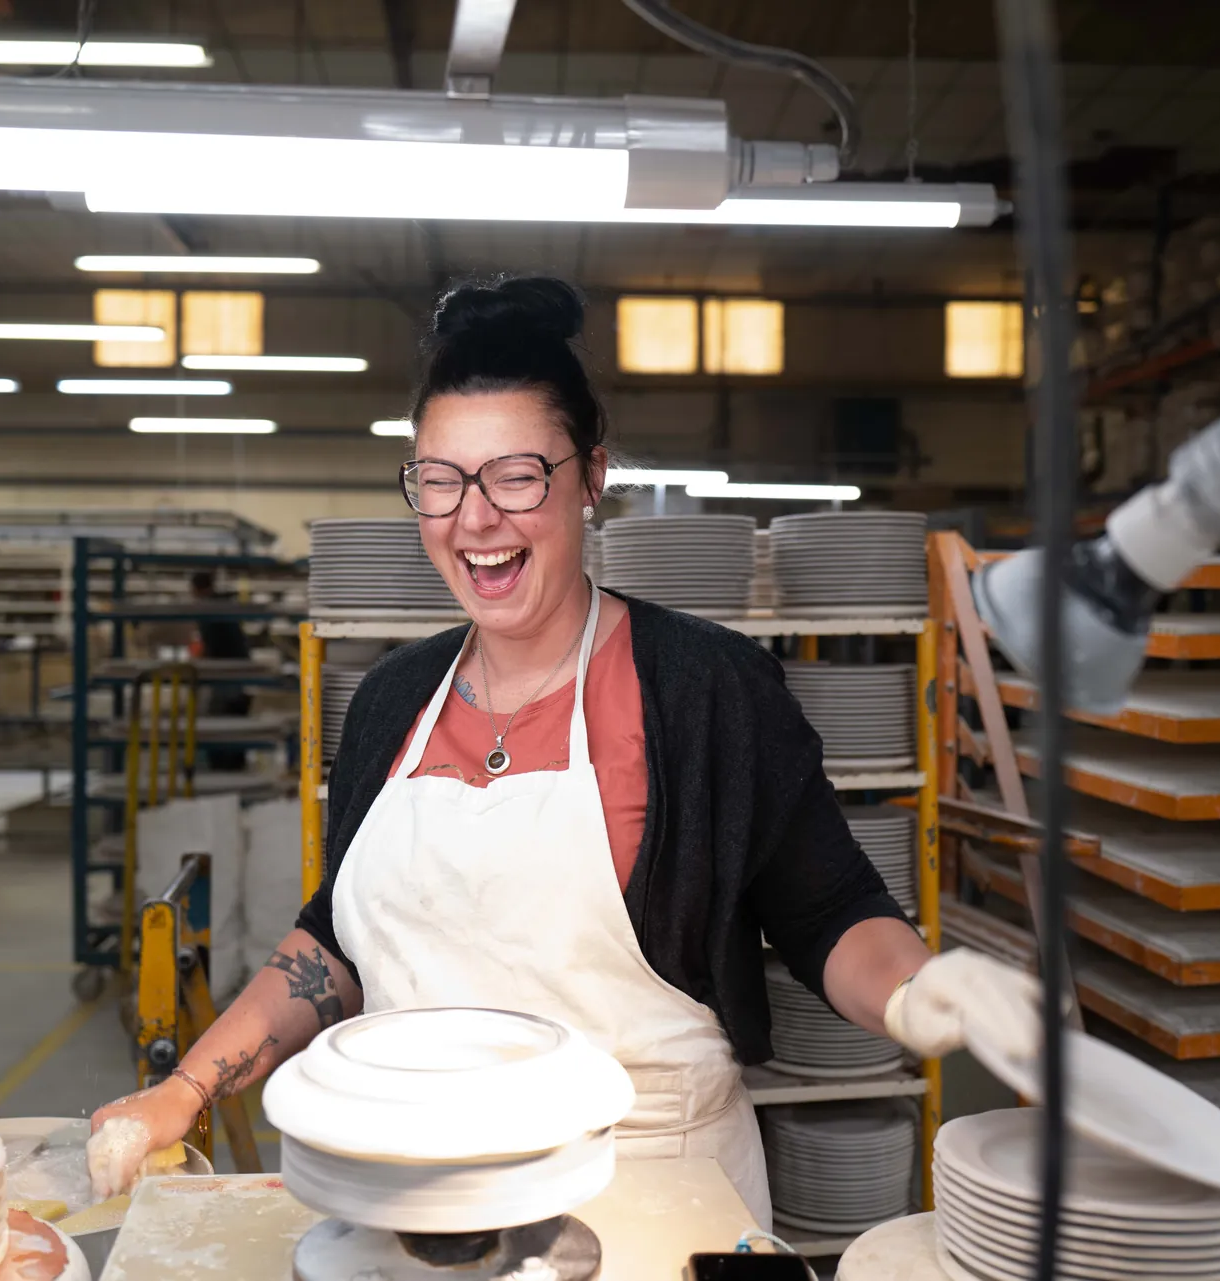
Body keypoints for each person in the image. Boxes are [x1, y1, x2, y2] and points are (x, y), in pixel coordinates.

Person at [91, 275, 1041, 1224]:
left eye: (515, 475)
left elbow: (833, 910)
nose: (475, 519)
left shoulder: (705, 690)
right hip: (414, 1191)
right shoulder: (389, 703)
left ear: (591, 475)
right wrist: (187, 1089)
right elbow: (333, 940)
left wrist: (923, 991)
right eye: (441, 479)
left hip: (650, 1188)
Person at [189, 571, 252, 771]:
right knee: (233, 723)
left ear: (196, 589)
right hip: (236, 674)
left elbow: (212, 647)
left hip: (224, 675)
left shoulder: (208, 609)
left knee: (220, 725)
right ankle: (233, 766)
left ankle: (224, 768)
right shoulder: (222, 605)